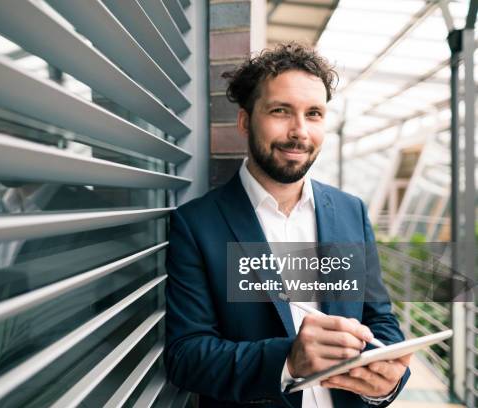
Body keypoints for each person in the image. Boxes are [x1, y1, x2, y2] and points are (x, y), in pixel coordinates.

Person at [164, 42, 411, 408]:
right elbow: (186, 356)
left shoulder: (351, 213)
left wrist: (387, 383)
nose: (300, 131)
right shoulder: (197, 224)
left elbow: (380, 322)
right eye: (281, 111)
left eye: (314, 114)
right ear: (246, 121)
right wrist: (288, 360)